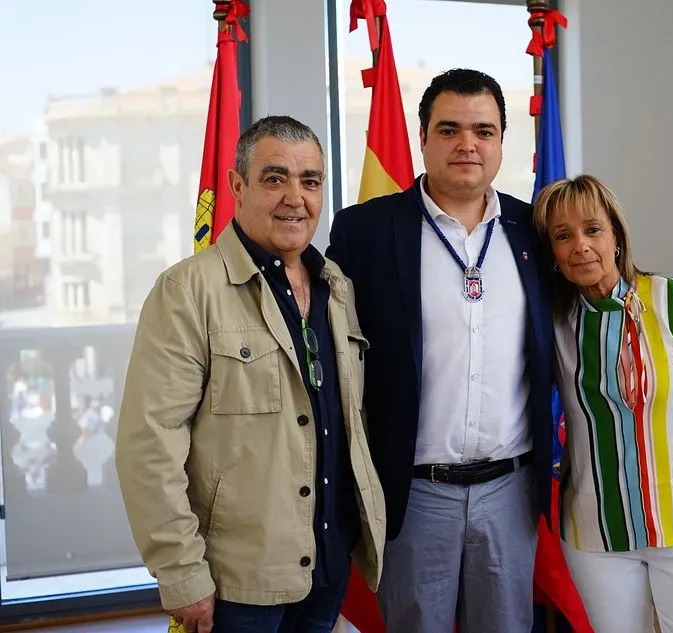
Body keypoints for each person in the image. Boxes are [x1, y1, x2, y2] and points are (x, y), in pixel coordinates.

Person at [114, 115, 386, 633]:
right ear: (238, 186)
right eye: (274, 178)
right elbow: (149, 445)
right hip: (235, 585)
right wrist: (181, 572)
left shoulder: (336, 287)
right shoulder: (187, 292)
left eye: (310, 181)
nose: (295, 198)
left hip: (327, 569)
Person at [326, 68, 554, 633]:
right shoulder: (365, 232)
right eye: (449, 129)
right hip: (413, 495)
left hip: (511, 493)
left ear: (501, 141)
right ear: (423, 137)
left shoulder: (535, 230)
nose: (467, 144)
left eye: (483, 131)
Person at [532, 174, 673, 633]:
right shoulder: (553, 323)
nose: (581, 246)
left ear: (616, 236)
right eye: (563, 236)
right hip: (595, 535)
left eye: (593, 229)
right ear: (552, 253)